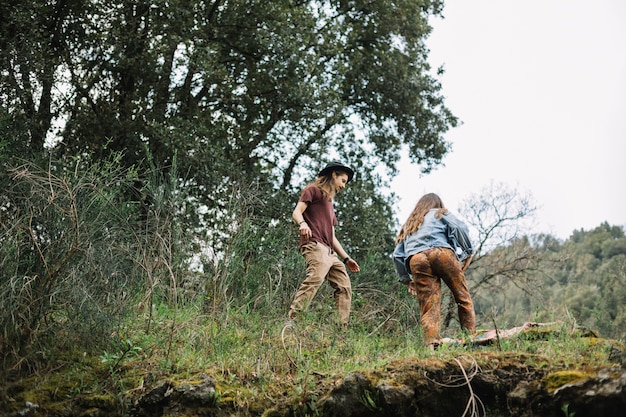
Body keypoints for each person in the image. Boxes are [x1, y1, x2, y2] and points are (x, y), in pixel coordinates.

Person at [393, 193, 475, 347]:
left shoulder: (410, 223)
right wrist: (467, 251)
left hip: (417, 260)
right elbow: (459, 227)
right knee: (462, 297)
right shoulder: (440, 213)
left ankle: (432, 345)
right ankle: (469, 340)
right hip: (441, 254)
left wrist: (407, 280)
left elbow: (397, 255)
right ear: (438, 204)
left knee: (429, 307)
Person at [288, 161, 361, 326]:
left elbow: (332, 237)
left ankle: (339, 329)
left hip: (330, 252)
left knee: (344, 286)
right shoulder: (313, 190)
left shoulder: (330, 205)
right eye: (343, 180)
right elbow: (297, 212)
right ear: (334, 175)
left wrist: (346, 258)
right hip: (314, 244)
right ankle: (293, 321)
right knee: (315, 277)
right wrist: (303, 224)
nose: (344, 186)